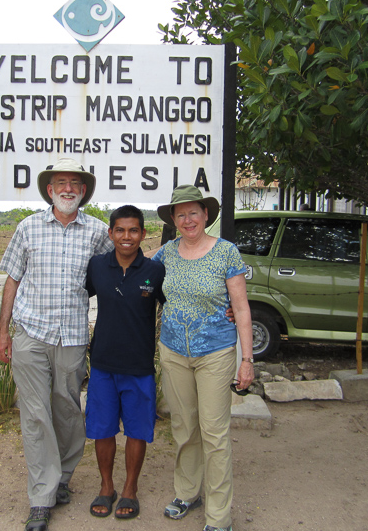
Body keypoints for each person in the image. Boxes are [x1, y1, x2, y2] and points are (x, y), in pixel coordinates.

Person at [0, 158, 114, 531]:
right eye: (60, 183)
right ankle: (42, 497)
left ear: (83, 192)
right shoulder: (28, 228)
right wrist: (2, 332)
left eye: (74, 184)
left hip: (73, 337)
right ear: (49, 190)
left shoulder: (97, 232)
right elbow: (12, 280)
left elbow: (125, 265)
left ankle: (62, 476)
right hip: (30, 334)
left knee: (66, 411)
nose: (67, 189)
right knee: (34, 414)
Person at [154, 185, 255, 531]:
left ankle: (219, 516)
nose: (187, 219)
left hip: (215, 353)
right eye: (180, 214)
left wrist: (247, 360)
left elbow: (241, 308)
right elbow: (139, 276)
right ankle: (187, 492)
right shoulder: (165, 254)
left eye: (193, 212)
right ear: (173, 220)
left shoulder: (226, 252)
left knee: (214, 433)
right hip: (173, 351)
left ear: (206, 214)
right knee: (184, 428)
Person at [84, 205, 166, 520]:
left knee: (137, 431)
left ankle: (130, 489)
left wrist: (226, 311)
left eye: (133, 230)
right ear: (111, 234)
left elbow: (178, 302)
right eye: (120, 230)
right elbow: (73, 295)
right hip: (103, 363)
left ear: (143, 234)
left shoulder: (154, 271)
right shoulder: (97, 267)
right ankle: (107, 487)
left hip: (139, 366)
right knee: (102, 430)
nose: (126, 237)